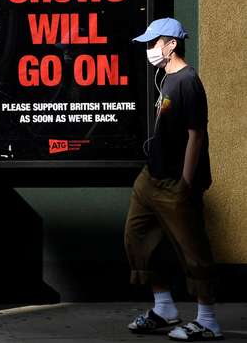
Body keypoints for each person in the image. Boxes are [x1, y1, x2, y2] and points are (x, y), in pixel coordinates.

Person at [124, 17, 222, 341]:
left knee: (192, 248)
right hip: (150, 179)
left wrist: (185, 183)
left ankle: (207, 320)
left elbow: (197, 136)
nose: (150, 49)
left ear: (171, 44)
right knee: (137, 238)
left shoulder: (187, 81)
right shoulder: (166, 77)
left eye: (154, 43)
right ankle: (164, 306)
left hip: (174, 184)